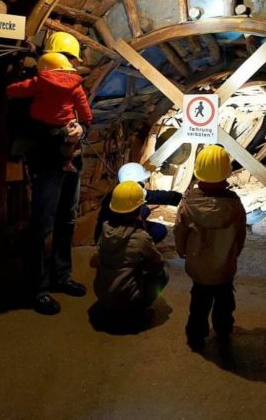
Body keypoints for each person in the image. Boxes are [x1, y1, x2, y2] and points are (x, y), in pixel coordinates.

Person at [14, 32, 89, 316]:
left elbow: (85, 118)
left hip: (72, 162)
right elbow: (29, 129)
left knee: (66, 220)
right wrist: (62, 135)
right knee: (42, 224)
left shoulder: (70, 84)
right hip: (47, 163)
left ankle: (62, 276)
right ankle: (39, 288)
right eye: (69, 59)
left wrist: (81, 131)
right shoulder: (36, 88)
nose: (72, 66)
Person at [174, 145, 247, 351]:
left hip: (199, 266)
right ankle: (223, 332)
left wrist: (181, 251)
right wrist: (234, 254)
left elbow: (180, 230)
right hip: (224, 267)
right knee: (225, 301)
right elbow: (240, 235)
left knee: (199, 302)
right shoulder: (234, 205)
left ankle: (195, 336)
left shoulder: (188, 203)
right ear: (227, 173)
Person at [93, 181, 168, 327]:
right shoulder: (140, 237)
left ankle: (112, 303)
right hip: (125, 298)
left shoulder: (104, 228)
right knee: (162, 274)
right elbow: (157, 264)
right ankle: (135, 311)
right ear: (139, 209)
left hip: (100, 291)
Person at [6, 52, 92, 173]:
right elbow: (83, 105)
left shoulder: (40, 81)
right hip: (64, 124)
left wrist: (9, 90)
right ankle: (67, 163)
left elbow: (22, 88)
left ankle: (15, 157)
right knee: (67, 145)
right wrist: (87, 120)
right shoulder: (76, 86)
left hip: (40, 124)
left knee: (26, 139)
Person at [94, 162, 182, 245]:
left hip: (103, 237)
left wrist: (177, 197)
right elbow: (131, 218)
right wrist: (147, 209)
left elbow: (155, 196)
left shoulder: (115, 194)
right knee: (159, 230)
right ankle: (134, 250)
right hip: (117, 235)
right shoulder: (126, 198)